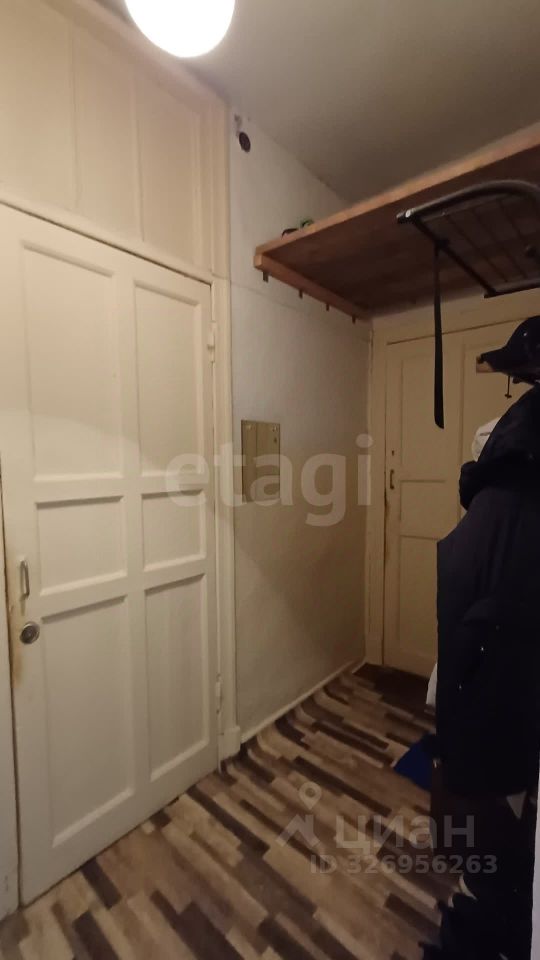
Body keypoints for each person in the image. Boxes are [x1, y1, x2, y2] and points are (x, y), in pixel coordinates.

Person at [424, 315, 540, 959]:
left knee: (493, 771)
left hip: (490, 633)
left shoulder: (503, 445)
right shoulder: (504, 443)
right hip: (492, 631)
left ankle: (492, 879)